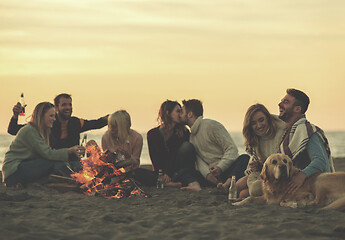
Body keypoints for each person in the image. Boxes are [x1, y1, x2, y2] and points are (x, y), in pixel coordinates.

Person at [8, 93, 108, 169]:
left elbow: (97, 123)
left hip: (74, 164)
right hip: (54, 164)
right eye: (64, 105)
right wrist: (15, 115)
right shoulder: (47, 124)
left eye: (70, 104)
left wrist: (112, 118)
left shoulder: (76, 122)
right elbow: (13, 130)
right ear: (56, 107)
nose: (68, 107)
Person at [2, 102, 84, 187]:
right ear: (41, 116)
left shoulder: (42, 132)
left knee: (61, 164)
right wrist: (70, 150)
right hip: (13, 173)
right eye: (51, 116)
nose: (54, 119)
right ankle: (78, 182)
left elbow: (48, 153)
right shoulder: (29, 130)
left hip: (24, 168)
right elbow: (48, 154)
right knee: (54, 162)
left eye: (54, 116)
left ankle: (76, 180)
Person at [219, 104, 286, 198]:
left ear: (268, 118)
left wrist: (262, 168)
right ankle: (227, 187)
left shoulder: (280, 133)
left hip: (276, 175)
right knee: (238, 185)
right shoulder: (256, 138)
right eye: (254, 123)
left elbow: (280, 162)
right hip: (263, 172)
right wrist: (257, 165)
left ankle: (234, 191)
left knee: (243, 193)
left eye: (261, 120)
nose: (259, 126)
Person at [180, 99, 249, 186]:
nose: (180, 115)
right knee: (184, 171)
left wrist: (220, 167)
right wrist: (208, 175)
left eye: (182, 112)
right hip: (213, 175)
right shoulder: (192, 137)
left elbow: (232, 149)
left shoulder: (211, 125)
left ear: (190, 114)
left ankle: (227, 185)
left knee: (245, 158)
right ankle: (218, 184)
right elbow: (199, 161)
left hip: (228, 170)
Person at [278, 88, 335, 194]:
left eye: (286, 102)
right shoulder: (289, 133)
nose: (279, 104)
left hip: (314, 186)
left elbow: (320, 162)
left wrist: (302, 175)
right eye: (281, 101)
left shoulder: (307, 131)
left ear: (297, 109)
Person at [147, 100, 201, 191]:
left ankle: (172, 181)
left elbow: (177, 157)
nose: (180, 114)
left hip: (178, 171)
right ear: (168, 113)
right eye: (177, 111)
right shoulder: (153, 134)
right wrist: (163, 174)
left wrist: (168, 173)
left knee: (187, 146)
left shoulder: (184, 132)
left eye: (181, 111)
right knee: (137, 173)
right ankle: (168, 183)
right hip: (161, 174)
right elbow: (155, 158)